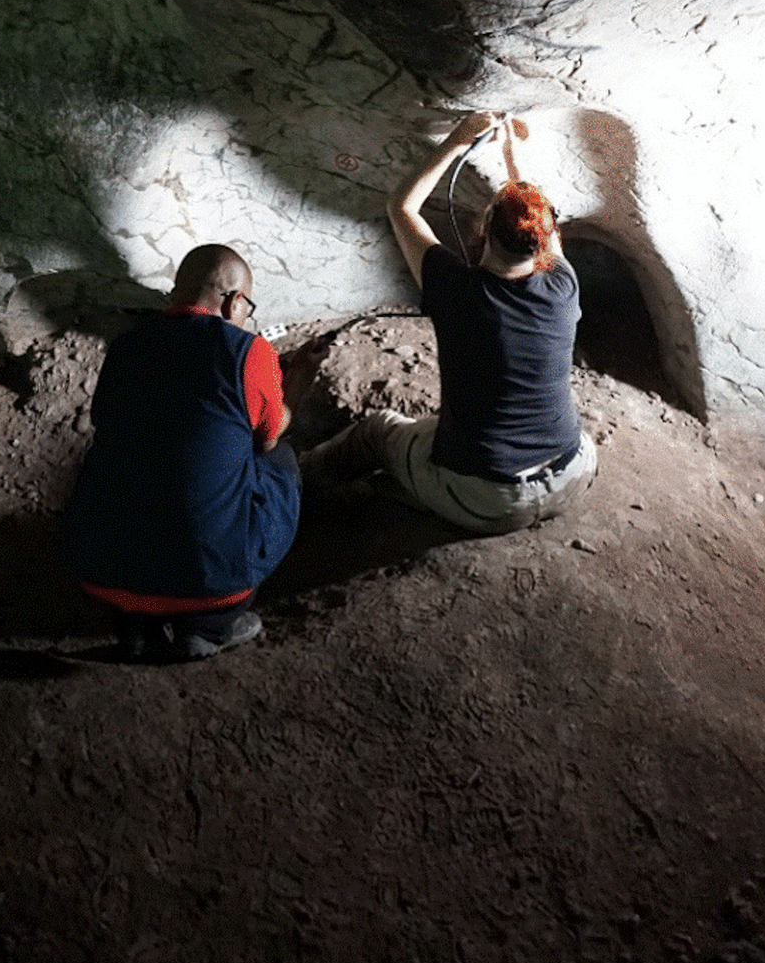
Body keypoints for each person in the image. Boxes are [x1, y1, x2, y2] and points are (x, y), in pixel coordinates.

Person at [300, 112, 597, 531]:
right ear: (544, 242)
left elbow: (401, 206)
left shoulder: (457, 290)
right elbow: (539, 222)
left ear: (485, 226)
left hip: (493, 498)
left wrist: (459, 138)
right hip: (572, 472)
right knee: (442, 429)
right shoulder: (564, 283)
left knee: (379, 431)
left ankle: (289, 482)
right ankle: (420, 489)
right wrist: (513, 156)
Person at [61, 243, 325, 661]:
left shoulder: (126, 346)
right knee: (280, 462)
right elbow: (269, 438)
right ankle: (208, 627)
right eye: (247, 308)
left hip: (100, 567)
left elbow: (109, 421)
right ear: (235, 302)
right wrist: (296, 380)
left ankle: (134, 628)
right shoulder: (248, 351)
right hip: (211, 581)